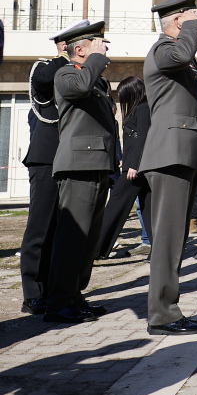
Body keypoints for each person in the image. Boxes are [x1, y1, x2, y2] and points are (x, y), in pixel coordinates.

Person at [138, 0, 197, 336]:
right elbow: (183, 53)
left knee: (175, 239)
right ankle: (162, 315)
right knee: (167, 240)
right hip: (170, 155)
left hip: (182, 154)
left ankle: (168, 310)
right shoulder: (163, 50)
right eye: (194, 17)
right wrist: (190, 28)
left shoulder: (178, 55)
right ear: (178, 21)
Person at [44, 21, 117, 324]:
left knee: (88, 240)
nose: (104, 49)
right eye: (97, 45)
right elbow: (80, 87)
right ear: (79, 49)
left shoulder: (96, 80)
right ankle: (58, 301)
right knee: (72, 237)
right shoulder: (66, 74)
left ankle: (74, 295)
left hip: (98, 163)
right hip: (77, 165)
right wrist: (96, 61)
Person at [19, 19, 87, 315]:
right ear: (65, 45)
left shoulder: (76, 75)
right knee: (40, 226)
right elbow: (43, 81)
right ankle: (32, 292)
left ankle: (54, 288)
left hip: (68, 158)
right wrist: (64, 56)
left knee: (61, 227)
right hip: (46, 157)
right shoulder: (45, 66)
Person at [96, 76, 152, 261]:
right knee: (147, 209)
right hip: (132, 167)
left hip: (135, 170)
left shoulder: (143, 108)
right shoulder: (139, 108)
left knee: (115, 207)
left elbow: (143, 139)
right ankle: (158, 249)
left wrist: (133, 165)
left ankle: (97, 249)